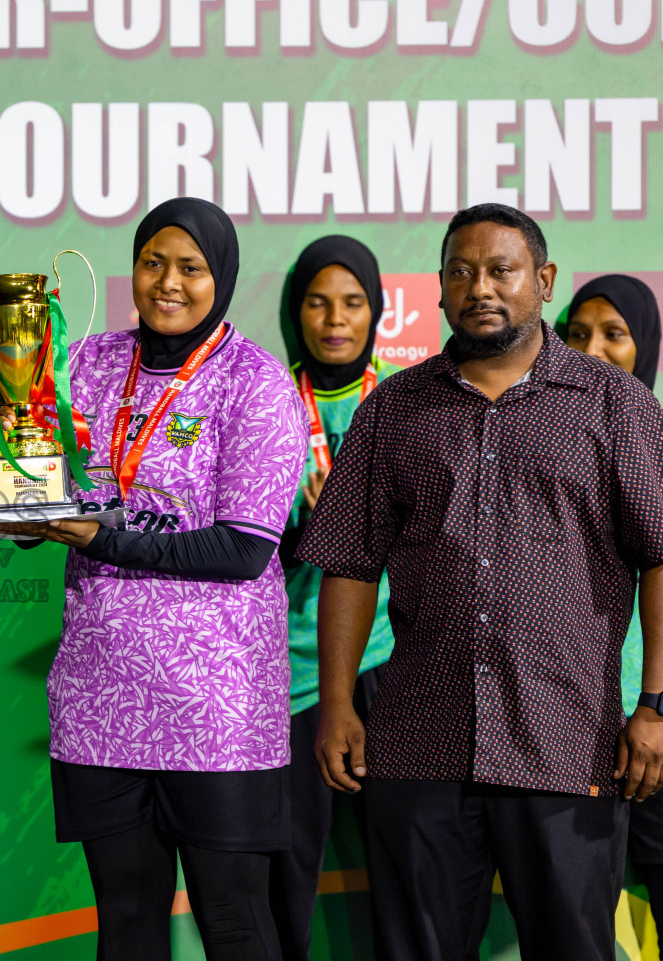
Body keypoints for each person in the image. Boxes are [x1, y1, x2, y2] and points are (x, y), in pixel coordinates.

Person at [299, 204, 663, 961]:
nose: (480, 287)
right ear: (438, 288)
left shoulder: (615, 405)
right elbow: (348, 561)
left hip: (566, 742)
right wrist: (336, 702)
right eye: (461, 272)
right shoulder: (395, 408)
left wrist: (654, 705)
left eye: (501, 270)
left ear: (544, 281)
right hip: (418, 744)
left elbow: (659, 556)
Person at [5, 197, 307, 961]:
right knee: (128, 923)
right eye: (152, 263)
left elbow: (242, 550)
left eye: (191, 268)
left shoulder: (257, 383)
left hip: (216, 707)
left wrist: (99, 538)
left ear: (223, 276)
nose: (168, 283)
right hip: (101, 695)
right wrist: (11, 461)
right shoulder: (87, 362)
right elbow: (39, 483)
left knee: (235, 925)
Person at [270, 236, 396, 958]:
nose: (335, 318)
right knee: (288, 870)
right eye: (318, 302)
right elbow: (243, 543)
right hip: (294, 670)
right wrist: (307, 533)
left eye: (352, 302)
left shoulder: (407, 400)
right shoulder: (270, 402)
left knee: (405, 858)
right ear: (298, 313)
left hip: (390, 658)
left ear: (376, 311)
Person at [560, 274, 663, 937]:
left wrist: (653, 709)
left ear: (645, 348)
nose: (591, 351)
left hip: (650, 721)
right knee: (580, 917)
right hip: (576, 728)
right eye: (576, 335)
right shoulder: (537, 450)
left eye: (613, 335)